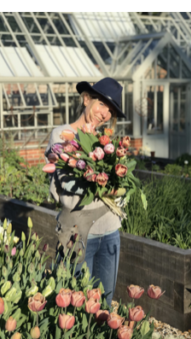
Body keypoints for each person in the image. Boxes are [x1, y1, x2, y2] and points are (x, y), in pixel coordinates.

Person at [45, 77, 126, 305]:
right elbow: (68, 188)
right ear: (86, 99)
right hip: (77, 234)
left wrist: (114, 184)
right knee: (75, 306)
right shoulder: (61, 135)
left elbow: (119, 186)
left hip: (110, 231)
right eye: (102, 104)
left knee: (104, 305)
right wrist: (105, 183)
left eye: (111, 110)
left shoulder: (105, 143)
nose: (105, 114)